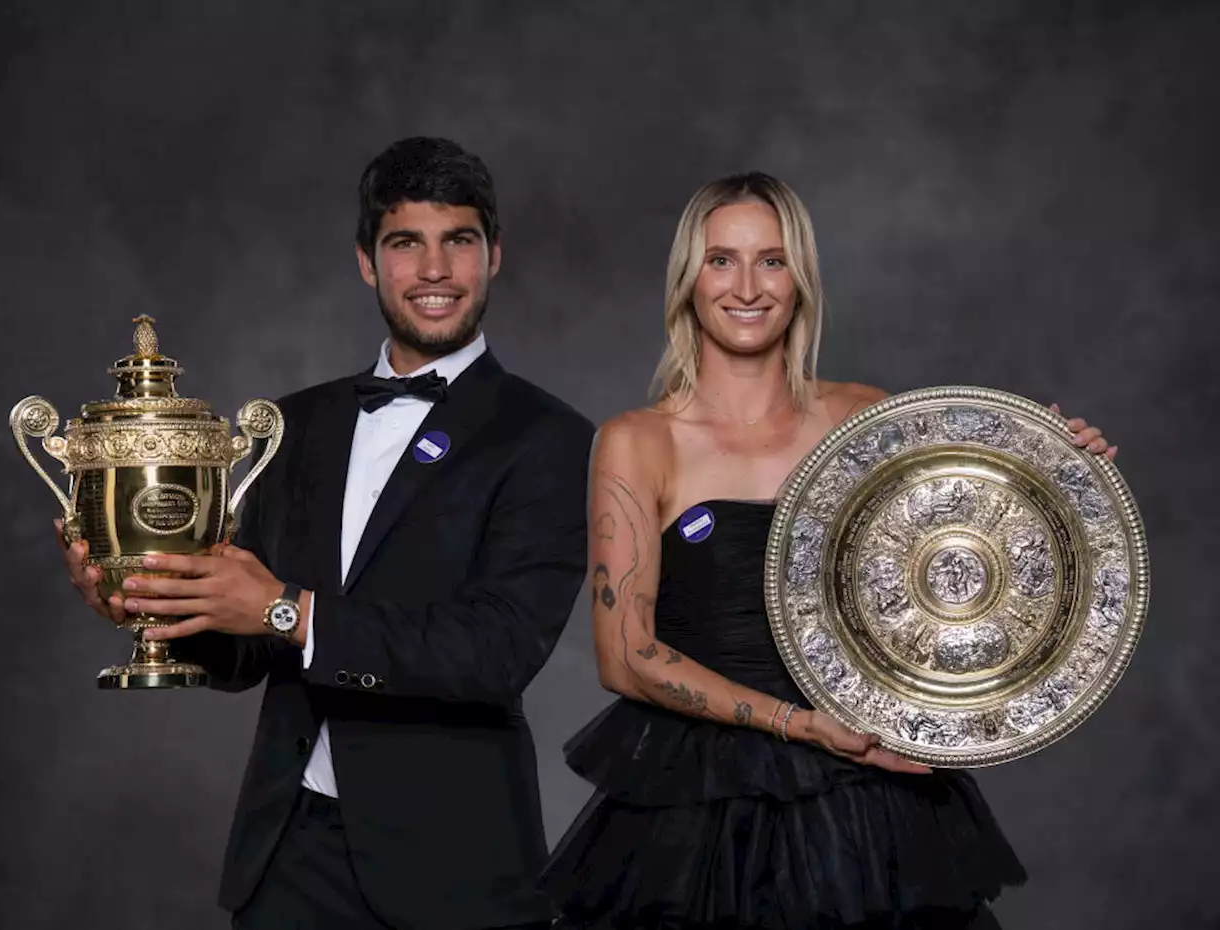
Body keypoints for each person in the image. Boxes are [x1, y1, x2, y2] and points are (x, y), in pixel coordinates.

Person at [539, 172, 1116, 929]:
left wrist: (1059, 468)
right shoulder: (638, 443)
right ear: (688, 279)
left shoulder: (865, 416)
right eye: (722, 260)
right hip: (698, 814)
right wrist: (799, 724)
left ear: (800, 278)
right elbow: (626, 656)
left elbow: (962, 560)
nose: (747, 286)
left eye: (771, 260)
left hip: (871, 805)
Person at [56, 137, 594, 930]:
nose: (436, 270)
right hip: (288, 855)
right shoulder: (290, 425)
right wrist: (154, 604)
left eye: (460, 241)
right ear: (367, 262)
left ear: (494, 255)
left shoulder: (550, 438)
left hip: (452, 862)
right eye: (406, 243)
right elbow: (246, 649)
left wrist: (286, 608)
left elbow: (494, 652)